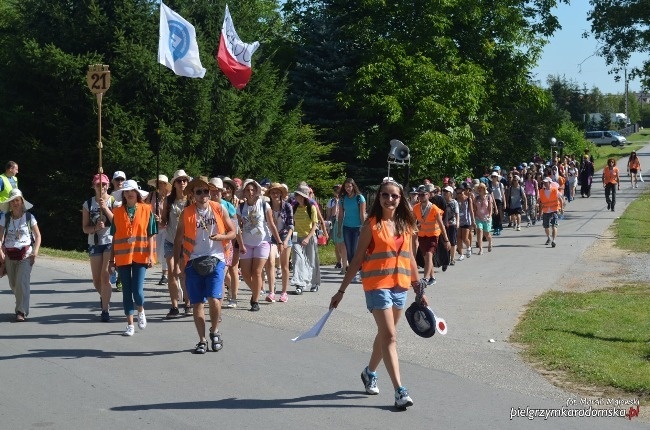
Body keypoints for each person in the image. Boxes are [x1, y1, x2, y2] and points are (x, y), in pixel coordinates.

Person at [329, 177, 426, 410]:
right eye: (385, 195)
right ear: (379, 197)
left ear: (400, 198)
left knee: (385, 335)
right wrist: (341, 291)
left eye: (394, 195)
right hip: (376, 285)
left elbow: (410, 258)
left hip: (400, 285)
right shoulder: (371, 225)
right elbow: (357, 259)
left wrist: (418, 287)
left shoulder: (406, 224)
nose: (389, 199)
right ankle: (400, 391)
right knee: (391, 337)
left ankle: (369, 371)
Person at [173, 176, 237, 354]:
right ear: (193, 195)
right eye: (199, 192)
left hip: (216, 258)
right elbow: (178, 239)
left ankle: (214, 331)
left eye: (206, 191)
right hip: (193, 261)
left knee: (214, 300)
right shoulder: (186, 213)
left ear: (210, 193)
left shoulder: (219, 208)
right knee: (197, 304)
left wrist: (221, 237)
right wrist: (178, 263)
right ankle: (201, 340)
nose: (203, 195)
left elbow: (233, 232)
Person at [110, 180, 156, 336]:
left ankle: (141, 310)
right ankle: (130, 324)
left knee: (137, 290)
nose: (130, 193)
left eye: (132, 191)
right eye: (127, 191)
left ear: (137, 193)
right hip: (122, 257)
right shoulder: (117, 212)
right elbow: (114, 238)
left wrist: (150, 255)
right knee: (126, 291)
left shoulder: (146, 209)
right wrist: (111, 260)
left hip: (141, 255)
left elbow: (151, 234)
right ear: (123, 194)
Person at [236, 179, 283, 311]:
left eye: (252, 190)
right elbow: (236, 227)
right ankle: (256, 291)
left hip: (262, 241)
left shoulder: (264, 205)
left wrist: (279, 241)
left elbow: (271, 224)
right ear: (244, 192)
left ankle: (255, 301)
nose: (250, 192)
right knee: (245, 273)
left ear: (257, 191)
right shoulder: (240, 207)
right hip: (246, 242)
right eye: (247, 190)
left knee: (257, 271)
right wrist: (240, 243)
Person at [0, 189, 41, 321]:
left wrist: (35, 252)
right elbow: (0, 238)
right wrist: (0, 251)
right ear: (10, 203)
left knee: (21, 282)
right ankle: (21, 304)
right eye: (12, 201)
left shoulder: (29, 217)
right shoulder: (4, 218)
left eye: (17, 200)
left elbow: (38, 236)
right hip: (9, 255)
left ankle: (21, 311)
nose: (15, 203)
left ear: (22, 201)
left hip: (26, 255)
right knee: (13, 284)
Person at [82, 173, 115, 322]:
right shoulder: (88, 204)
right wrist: (95, 228)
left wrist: (105, 208)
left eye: (104, 185)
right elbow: (85, 228)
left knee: (104, 276)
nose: (101, 187)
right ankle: (105, 297)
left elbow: (118, 222)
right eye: (98, 185)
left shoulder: (114, 202)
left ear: (108, 186)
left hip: (110, 241)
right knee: (96, 280)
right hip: (95, 242)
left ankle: (105, 310)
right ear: (93, 186)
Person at [162, 170, 191, 318]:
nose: (182, 183)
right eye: (179, 181)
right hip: (170, 241)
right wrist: (158, 221)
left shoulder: (192, 200)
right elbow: (163, 221)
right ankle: (174, 306)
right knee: (172, 273)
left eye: (184, 180)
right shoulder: (168, 200)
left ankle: (187, 302)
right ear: (174, 184)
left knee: (184, 274)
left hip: (186, 243)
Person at [413, 184, 450, 284]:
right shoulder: (416, 208)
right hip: (422, 236)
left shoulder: (434, 208)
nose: (421, 196)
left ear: (428, 195)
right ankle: (432, 277)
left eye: (423, 194)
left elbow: (441, 225)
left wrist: (446, 240)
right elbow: (412, 223)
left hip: (433, 236)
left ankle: (424, 279)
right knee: (426, 257)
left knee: (429, 255)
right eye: (419, 195)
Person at [266, 182, 293, 302]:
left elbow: (291, 226)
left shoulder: (287, 206)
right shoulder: (267, 206)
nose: (275, 194)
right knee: (270, 262)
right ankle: (271, 291)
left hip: (285, 236)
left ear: (281, 194)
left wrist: (286, 241)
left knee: (284, 266)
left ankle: (284, 292)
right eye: (273, 192)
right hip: (271, 237)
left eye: (277, 192)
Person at [291, 184, 321, 294]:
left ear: (303, 197)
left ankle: (314, 283)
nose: (296, 197)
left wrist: (308, 238)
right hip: (296, 237)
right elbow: (292, 223)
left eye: (298, 195)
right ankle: (300, 284)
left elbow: (315, 225)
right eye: (296, 195)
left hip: (309, 237)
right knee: (298, 260)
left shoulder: (311, 208)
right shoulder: (294, 208)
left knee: (312, 261)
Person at [337, 178, 366, 282]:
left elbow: (362, 215)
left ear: (353, 186)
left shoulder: (360, 198)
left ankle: (359, 271)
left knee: (355, 250)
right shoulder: (342, 199)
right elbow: (340, 215)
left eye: (349, 186)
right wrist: (339, 229)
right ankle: (353, 272)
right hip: (346, 227)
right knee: (349, 251)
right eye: (346, 187)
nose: (348, 189)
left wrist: (364, 227)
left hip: (357, 227)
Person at [146, 174, 171, 286]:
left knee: (164, 251)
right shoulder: (151, 196)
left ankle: (164, 275)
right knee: (157, 251)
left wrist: (161, 218)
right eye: (158, 183)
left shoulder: (169, 197)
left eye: (162, 183)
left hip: (166, 227)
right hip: (153, 227)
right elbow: (144, 208)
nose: (160, 185)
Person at [221, 176, 241, 308]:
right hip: (220, 242)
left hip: (234, 240)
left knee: (233, 269)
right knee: (222, 271)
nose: (226, 190)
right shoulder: (218, 202)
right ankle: (226, 291)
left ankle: (233, 297)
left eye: (229, 188)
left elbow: (236, 227)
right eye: (224, 188)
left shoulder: (234, 204)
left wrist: (240, 243)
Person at [327, 184, 346, 273]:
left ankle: (345, 262)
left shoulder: (345, 199)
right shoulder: (331, 201)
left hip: (344, 222)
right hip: (335, 221)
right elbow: (329, 214)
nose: (337, 192)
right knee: (337, 244)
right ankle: (339, 261)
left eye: (339, 190)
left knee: (343, 244)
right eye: (336, 190)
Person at [538, 178, 562, 247]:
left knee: (554, 225)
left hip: (554, 210)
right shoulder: (541, 191)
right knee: (546, 226)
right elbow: (540, 201)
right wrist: (539, 210)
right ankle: (549, 237)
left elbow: (560, 199)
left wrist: (562, 208)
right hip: (545, 211)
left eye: (546, 182)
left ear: (549, 183)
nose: (545, 184)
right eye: (544, 183)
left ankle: (554, 240)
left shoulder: (554, 190)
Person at [473, 183, 493, 254]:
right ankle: (481, 249)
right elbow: (474, 209)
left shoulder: (488, 197)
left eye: (481, 188)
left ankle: (490, 242)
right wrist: (474, 218)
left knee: (487, 234)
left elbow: (490, 208)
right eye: (478, 188)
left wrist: (489, 215)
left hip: (486, 217)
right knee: (479, 231)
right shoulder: (476, 198)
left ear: (484, 189)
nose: (479, 189)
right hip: (478, 218)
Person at [442, 186, 459, 265]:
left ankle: (452, 258)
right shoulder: (442, 201)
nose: (445, 193)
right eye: (444, 191)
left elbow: (457, 213)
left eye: (447, 192)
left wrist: (458, 222)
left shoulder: (454, 202)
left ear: (451, 193)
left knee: (452, 241)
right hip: (443, 224)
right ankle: (446, 258)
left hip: (452, 223)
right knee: (445, 241)